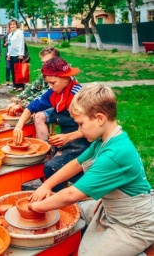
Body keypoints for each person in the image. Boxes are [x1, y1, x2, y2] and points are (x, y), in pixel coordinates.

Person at [28, 83, 154, 256]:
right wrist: (46, 186)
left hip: (134, 223)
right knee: (76, 210)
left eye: (80, 124)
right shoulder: (103, 140)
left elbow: (72, 195)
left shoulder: (115, 154)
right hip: (112, 210)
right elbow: (76, 164)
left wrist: (35, 208)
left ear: (99, 118)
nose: (79, 130)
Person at [13, 57, 90, 191]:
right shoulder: (53, 92)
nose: (50, 86)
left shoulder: (79, 95)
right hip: (67, 135)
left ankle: (62, 198)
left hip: (86, 139)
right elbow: (32, 106)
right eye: (48, 83)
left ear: (66, 78)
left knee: (52, 167)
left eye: (53, 83)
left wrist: (69, 137)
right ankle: (57, 189)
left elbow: (93, 127)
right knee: (46, 160)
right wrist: (18, 126)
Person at [6, 46, 60, 116]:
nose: (45, 65)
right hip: (48, 102)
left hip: (62, 107)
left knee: (36, 116)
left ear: (58, 61)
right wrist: (17, 99)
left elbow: (45, 93)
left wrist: (22, 104)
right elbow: (32, 88)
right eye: (43, 62)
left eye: (48, 62)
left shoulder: (61, 74)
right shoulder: (46, 72)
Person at [6, 18, 25, 91]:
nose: (12, 26)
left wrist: (21, 54)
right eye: (11, 24)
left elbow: (21, 43)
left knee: (18, 71)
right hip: (12, 55)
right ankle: (15, 85)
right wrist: (8, 54)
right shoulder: (10, 34)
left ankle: (20, 86)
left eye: (14, 24)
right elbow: (9, 45)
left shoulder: (19, 32)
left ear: (16, 25)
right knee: (13, 70)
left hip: (18, 54)